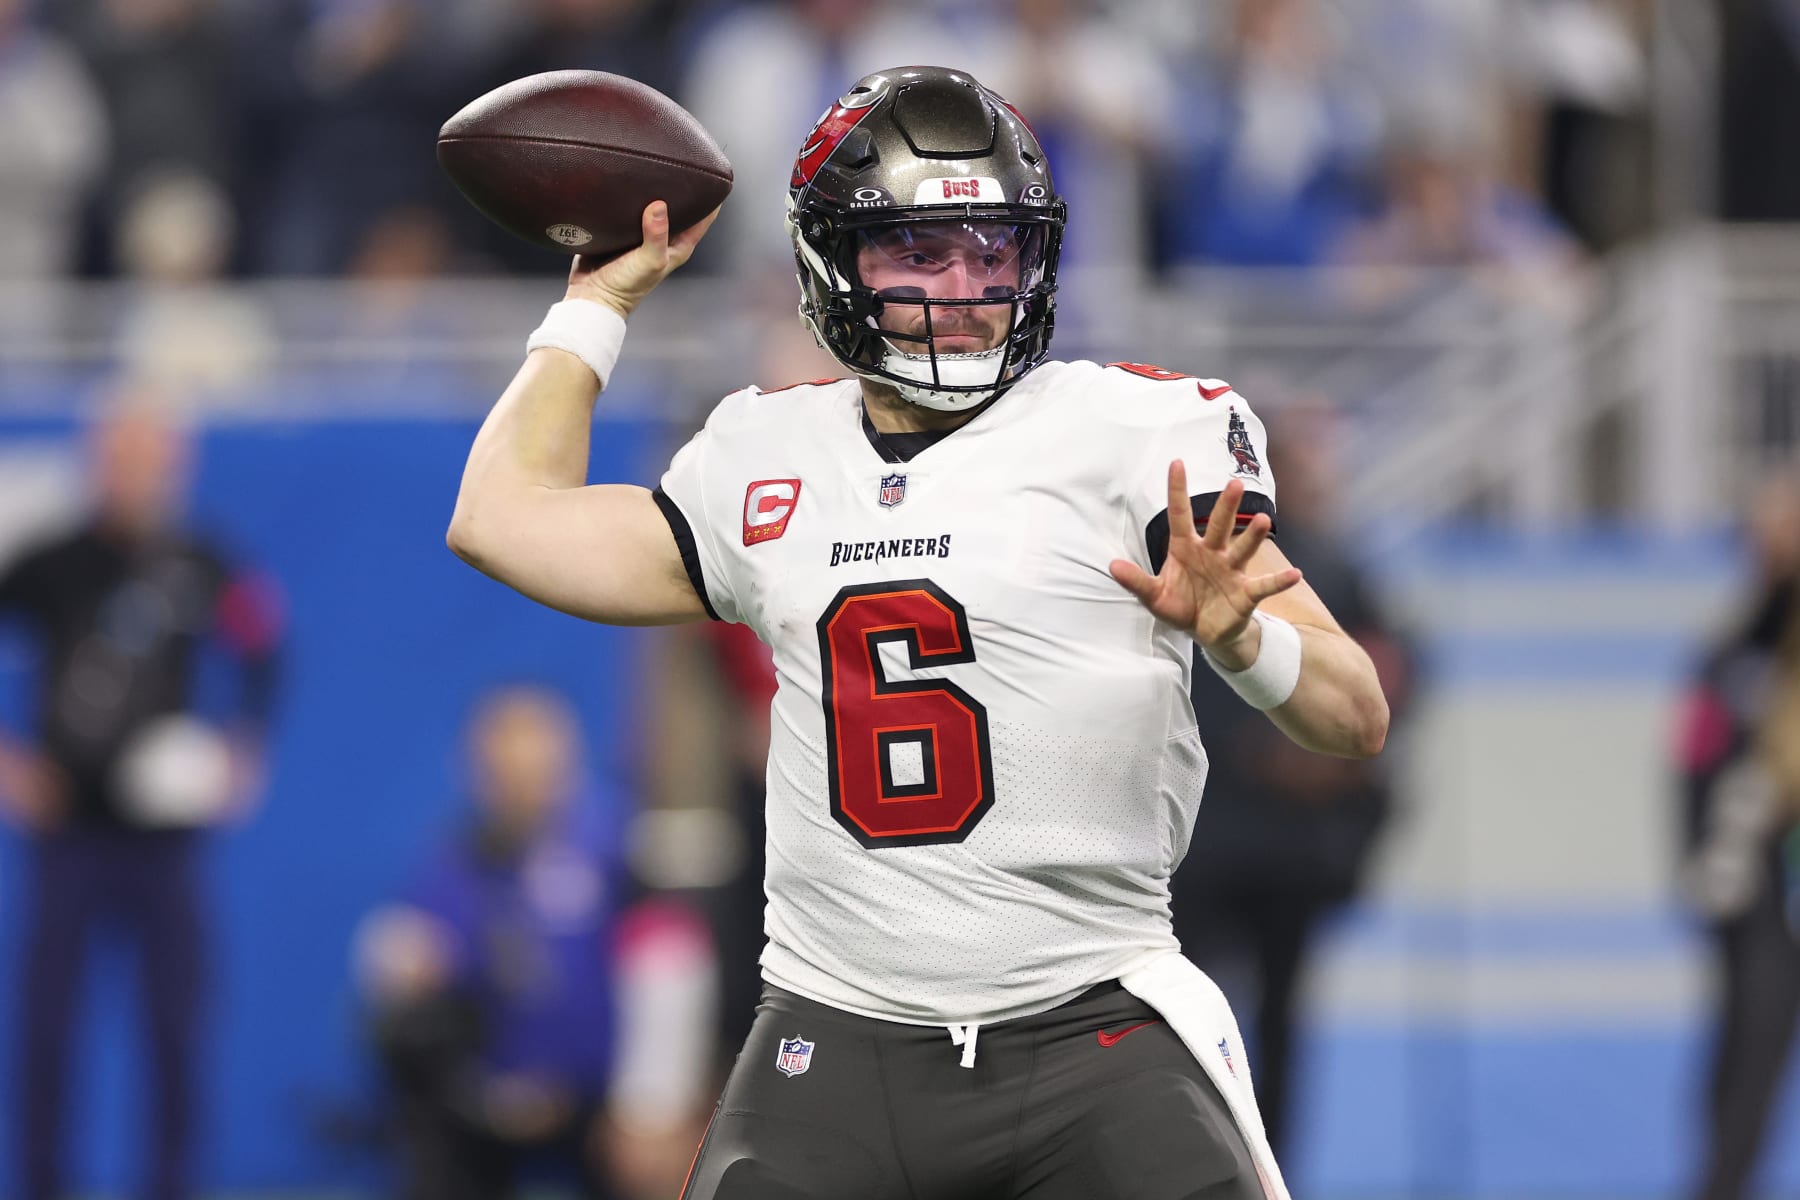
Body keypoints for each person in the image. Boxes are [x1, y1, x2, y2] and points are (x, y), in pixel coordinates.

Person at [448, 66, 1389, 1198]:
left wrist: (1249, 644)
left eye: (993, 251)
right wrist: (597, 303)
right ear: (833, 267)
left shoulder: (1135, 429)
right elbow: (501, 519)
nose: (965, 290)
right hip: (836, 1044)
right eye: (919, 253)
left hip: (1095, 1033)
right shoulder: (766, 457)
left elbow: (1352, 713)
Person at [0, 395, 283, 1200]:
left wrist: (244, 748)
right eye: (117, 455)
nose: (132, 472)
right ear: (95, 462)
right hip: (70, 840)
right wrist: (10, 765)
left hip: (165, 847)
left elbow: (264, 645)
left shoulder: (202, 562)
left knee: (175, 1031)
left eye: (147, 455)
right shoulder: (50, 562)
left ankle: (172, 1186)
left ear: (174, 465)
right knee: (48, 1032)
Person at [1171, 398, 1414, 1160]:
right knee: (1199, 1020)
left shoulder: (1333, 565)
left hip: (1278, 844)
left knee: (1260, 1022)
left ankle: (1258, 1167)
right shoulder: (1207, 547)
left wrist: (1324, 761)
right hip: (1212, 839)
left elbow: (1391, 679)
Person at [357, 685, 714, 1200]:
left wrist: (650, 1107)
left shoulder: (617, 848)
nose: (523, 784)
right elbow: (399, 949)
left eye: (536, 765)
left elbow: (672, 965)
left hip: (601, 1102)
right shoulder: (458, 858)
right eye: (505, 769)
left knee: (654, 1163)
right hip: (487, 1099)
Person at [1677, 474, 1800, 1200]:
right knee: (1745, 1043)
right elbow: (1695, 752)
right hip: (1753, 887)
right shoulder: (1741, 637)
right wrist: (1701, 850)